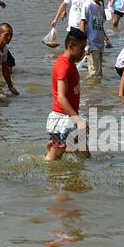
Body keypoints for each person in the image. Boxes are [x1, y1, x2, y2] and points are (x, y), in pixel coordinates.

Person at [45, 30, 88, 161]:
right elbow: (61, 97)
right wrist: (78, 120)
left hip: (66, 119)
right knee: (53, 161)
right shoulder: (64, 66)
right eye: (81, 48)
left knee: (83, 156)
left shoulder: (71, 64)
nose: (83, 52)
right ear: (70, 47)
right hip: (61, 120)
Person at [79, 0, 108, 82]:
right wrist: (84, 43)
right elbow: (82, 23)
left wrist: (106, 38)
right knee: (94, 73)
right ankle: (90, 95)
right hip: (91, 44)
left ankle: (97, 95)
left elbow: (100, 24)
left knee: (98, 73)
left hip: (100, 44)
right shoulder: (88, 5)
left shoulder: (100, 5)